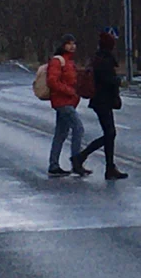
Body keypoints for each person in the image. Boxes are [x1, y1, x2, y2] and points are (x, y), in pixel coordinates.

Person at [73, 32, 128, 180]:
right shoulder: (105, 60)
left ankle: (109, 167)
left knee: (110, 134)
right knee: (110, 134)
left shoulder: (98, 58)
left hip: (100, 101)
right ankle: (82, 157)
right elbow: (107, 80)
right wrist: (117, 80)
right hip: (103, 100)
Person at [47, 34, 90, 177]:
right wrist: (70, 91)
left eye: (74, 43)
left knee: (61, 133)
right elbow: (52, 81)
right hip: (62, 101)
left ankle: (54, 165)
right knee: (78, 128)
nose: (72, 46)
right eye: (68, 43)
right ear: (63, 45)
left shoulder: (69, 62)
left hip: (68, 101)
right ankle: (76, 163)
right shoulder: (58, 61)